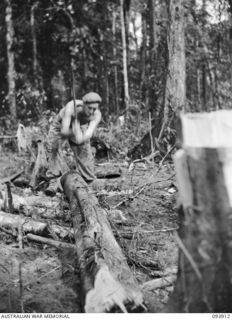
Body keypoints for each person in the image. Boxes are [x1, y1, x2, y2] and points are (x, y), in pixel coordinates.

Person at [45, 92, 102, 194]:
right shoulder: (71, 107)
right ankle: (53, 180)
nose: (92, 111)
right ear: (83, 104)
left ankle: (89, 180)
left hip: (79, 127)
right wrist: (73, 131)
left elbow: (87, 135)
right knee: (53, 147)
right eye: (89, 108)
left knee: (84, 150)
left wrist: (79, 134)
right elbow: (63, 132)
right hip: (61, 125)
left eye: (95, 109)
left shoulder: (97, 115)